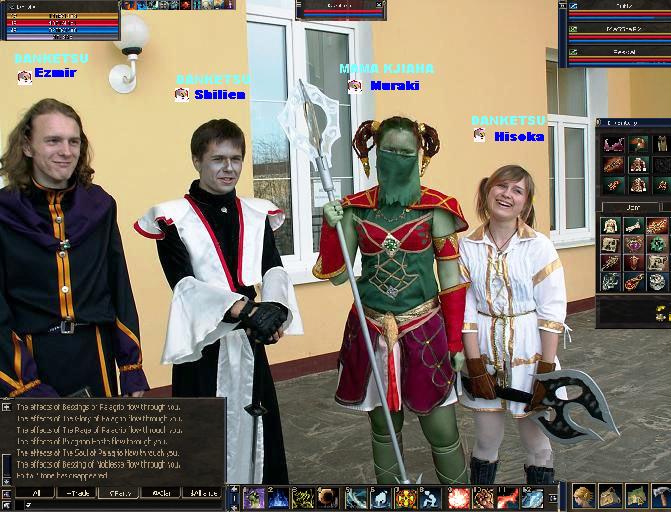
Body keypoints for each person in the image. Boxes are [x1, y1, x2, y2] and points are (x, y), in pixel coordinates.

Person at [135, 119, 302, 484]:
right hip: (204, 348)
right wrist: (247, 310)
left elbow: (273, 267)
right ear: (197, 160)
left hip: (250, 340)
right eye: (217, 159)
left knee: (259, 436)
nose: (229, 168)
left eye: (236, 159)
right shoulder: (172, 218)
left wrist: (276, 311)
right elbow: (183, 284)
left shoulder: (256, 213)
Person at [315, 117, 469, 484]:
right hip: (371, 330)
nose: (397, 158)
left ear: (420, 156)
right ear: (374, 153)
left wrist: (455, 341)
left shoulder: (437, 209)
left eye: (405, 152)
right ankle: (390, 500)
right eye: (389, 151)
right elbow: (338, 276)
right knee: (384, 430)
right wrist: (331, 228)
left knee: (443, 431)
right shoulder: (355, 209)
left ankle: (460, 502)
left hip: (424, 329)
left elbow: (451, 281)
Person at [0, 98, 149, 398]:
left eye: (74, 141)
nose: (66, 151)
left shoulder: (100, 205)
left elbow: (117, 284)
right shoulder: (4, 211)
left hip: (95, 353)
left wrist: (131, 366)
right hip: (31, 360)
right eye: (53, 140)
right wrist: (24, 382)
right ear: (27, 146)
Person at [458, 165, 568, 484]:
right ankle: (481, 502)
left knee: (537, 444)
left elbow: (551, 310)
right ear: (487, 191)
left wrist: (546, 369)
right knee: (485, 442)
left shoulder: (539, 246)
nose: (507, 194)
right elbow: (465, 310)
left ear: (525, 203)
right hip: (483, 352)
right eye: (501, 186)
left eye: (517, 190)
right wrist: (474, 366)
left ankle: (540, 502)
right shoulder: (467, 246)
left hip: (530, 351)